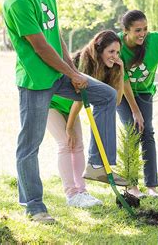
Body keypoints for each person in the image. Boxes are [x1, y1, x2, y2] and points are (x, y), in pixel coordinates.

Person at [2, 0, 122, 223]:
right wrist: (71, 74)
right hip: (35, 82)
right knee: (29, 144)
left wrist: (74, 71)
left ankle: (96, 164)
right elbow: (41, 47)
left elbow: (56, 40)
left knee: (105, 95)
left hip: (59, 73)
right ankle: (34, 206)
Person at [46, 30, 126, 208]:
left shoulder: (107, 68)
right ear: (99, 50)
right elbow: (81, 99)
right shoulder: (83, 62)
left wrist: (121, 72)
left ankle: (82, 191)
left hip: (71, 107)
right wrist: (68, 128)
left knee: (79, 145)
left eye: (118, 52)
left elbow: (116, 100)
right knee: (65, 144)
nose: (115, 56)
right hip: (53, 104)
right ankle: (71, 194)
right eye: (111, 52)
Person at [116, 10, 158, 198]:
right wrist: (136, 112)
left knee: (147, 131)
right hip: (120, 91)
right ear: (126, 30)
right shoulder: (117, 44)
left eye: (145, 29)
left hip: (144, 92)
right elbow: (124, 80)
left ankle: (152, 186)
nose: (142, 33)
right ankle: (131, 185)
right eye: (137, 30)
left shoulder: (156, 40)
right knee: (132, 130)